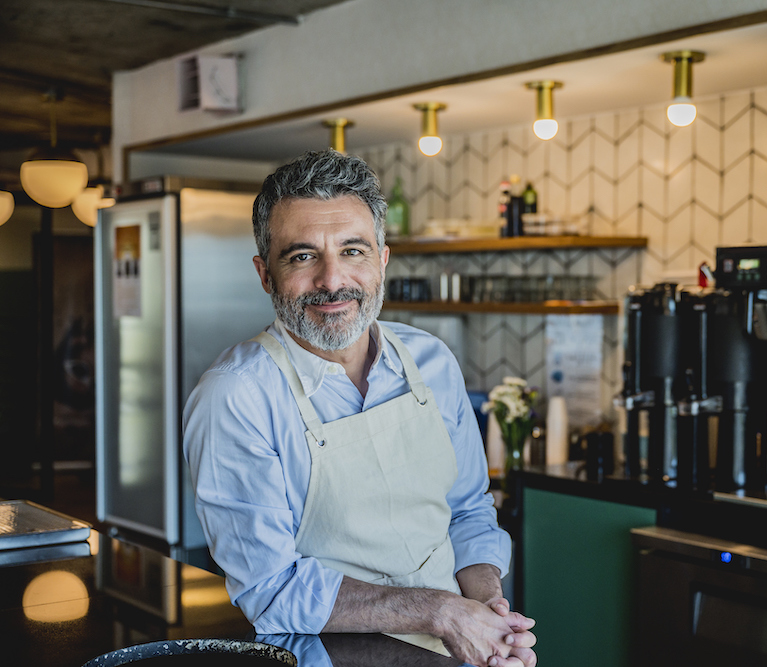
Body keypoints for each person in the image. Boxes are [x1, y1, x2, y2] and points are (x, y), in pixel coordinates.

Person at [183, 150, 536, 667]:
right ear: (265, 273)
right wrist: (441, 612)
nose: (331, 280)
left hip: (452, 652)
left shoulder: (431, 361)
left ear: (382, 261)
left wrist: (486, 611)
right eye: (302, 256)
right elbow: (272, 588)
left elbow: (467, 511)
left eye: (353, 251)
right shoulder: (235, 397)